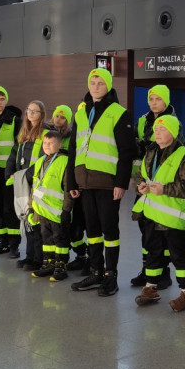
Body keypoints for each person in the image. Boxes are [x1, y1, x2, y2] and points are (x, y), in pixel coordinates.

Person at [67, 68, 136, 296]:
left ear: (108, 87)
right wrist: (72, 184)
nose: (96, 87)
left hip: (107, 182)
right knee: (92, 229)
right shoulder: (80, 114)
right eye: (93, 82)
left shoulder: (118, 113)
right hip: (84, 181)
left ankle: (110, 275)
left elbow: (126, 152)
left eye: (101, 83)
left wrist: (121, 183)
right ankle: (96, 271)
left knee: (109, 229)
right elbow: (73, 150)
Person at [132, 115, 185, 310]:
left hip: (173, 217)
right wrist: (140, 187)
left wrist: (165, 189)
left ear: (172, 132)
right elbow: (138, 176)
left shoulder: (184, 156)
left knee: (179, 256)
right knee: (153, 252)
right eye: (156, 129)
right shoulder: (150, 151)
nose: (157, 133)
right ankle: (150, 288)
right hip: (152, 214)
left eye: (162, 129)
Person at [130, 84, 180, 290]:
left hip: (162, 185)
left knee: (162, 230)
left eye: (158, 99)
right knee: (146, 229)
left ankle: (164, 272)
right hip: (144, 181)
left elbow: (176, 149)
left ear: (166, 101)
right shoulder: (142, 120)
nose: (154, 102)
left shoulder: (173, 122)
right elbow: (135, 151)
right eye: (151, 99)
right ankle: (148, 269)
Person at [28, 130, 73, 281]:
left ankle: (61, 265)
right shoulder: (40, 161)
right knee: (46, 238)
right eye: (45, 143)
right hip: (42, 210)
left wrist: (66, 210)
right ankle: (49, 263)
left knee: (60, 238)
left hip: (58, 210)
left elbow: (68, 188)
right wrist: (31, 207)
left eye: (51, 143)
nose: (47, 146)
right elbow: (35, 186)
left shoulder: (64, 161)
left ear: (59, 145)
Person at [9, 100, 48, 270]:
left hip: (36, 183)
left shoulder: (46, 133)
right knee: (26, 220)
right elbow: (13, 155)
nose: (31, 114)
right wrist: (11, 172)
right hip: (22, 182)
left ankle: (38, 259)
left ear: (42, 114)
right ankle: (29, 255)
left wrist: (27, 176)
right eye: (29, 110)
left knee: (36, 221)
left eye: (35, 111)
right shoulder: (23, 133)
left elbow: (44, 159)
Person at [0, 85, 23, 257]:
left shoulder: (15, 120)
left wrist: (15, 170)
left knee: (9, 208)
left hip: (8, 172)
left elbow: (19, 147)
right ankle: (3, 242)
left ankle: (14, 245)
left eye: (2, 99)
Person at [53, 104, 88, 271]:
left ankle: (83, 256)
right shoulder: (49, 135)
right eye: (56, 116)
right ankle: (64, 256)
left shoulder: (73, 136)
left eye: (62, 117)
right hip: (56, 187)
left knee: (76, 225)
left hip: (74, 185)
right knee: (63, 224)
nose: (58, 119)